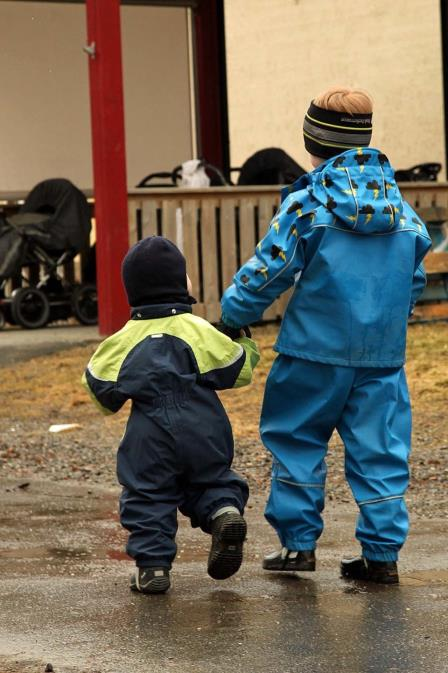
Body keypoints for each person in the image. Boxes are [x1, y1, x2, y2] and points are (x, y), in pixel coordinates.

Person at [220, 87, 432, 584]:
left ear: (313, 143)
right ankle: (382, 556)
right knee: (380, 450)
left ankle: (298, 548)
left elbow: (270, 269)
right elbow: (415, 275)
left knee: (296, 440)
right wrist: (390, 317)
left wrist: (234, 314)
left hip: (311, 351)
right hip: (381, 356)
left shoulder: (309, 203)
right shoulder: (401, 210)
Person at [82, 236, 260, 593]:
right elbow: (239, 372)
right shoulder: (199, 331)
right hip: (205, 430)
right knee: (211, 481)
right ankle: (223, 512)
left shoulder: (123, 340)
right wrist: (244, 343)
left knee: (147, 497)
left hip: (148, 440)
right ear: (183, 284)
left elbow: (99, 387)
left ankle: (153, 568)